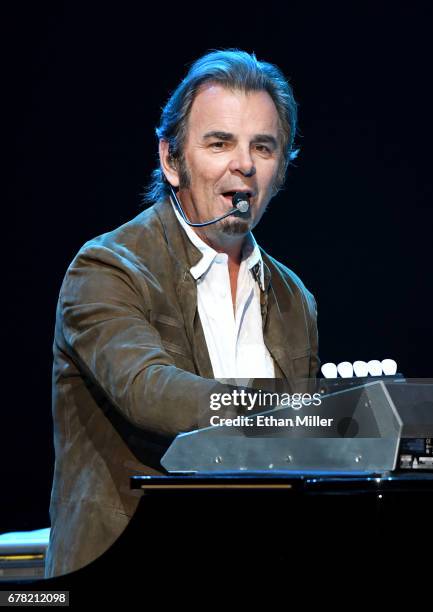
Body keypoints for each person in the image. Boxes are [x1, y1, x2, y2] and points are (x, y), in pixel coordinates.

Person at [44, 49, 320, 578]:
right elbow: (150, 391)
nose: (244, 163)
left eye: (262, 147)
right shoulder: (107, 267)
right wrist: (308, 407)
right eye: (219, 143)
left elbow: (298, 458)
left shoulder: (293, 299)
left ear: (280, 168)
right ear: (172, 160)